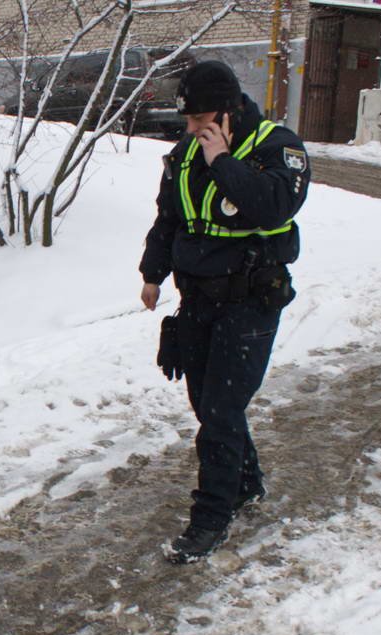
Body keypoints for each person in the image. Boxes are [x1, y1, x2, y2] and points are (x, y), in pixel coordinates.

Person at [137, 61, 310, 564]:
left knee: (220, 410)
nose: (190, 129)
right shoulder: (185, 153)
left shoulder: (280, 147)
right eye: (187, 120)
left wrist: (223, 161)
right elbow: (169, 217)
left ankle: (212, 515)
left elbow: (274, 206)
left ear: (229, 108)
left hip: (250, 301)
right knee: (208, 404)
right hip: (198, 300)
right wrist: (153, 273)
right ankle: (247, 481)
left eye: (199, 118)